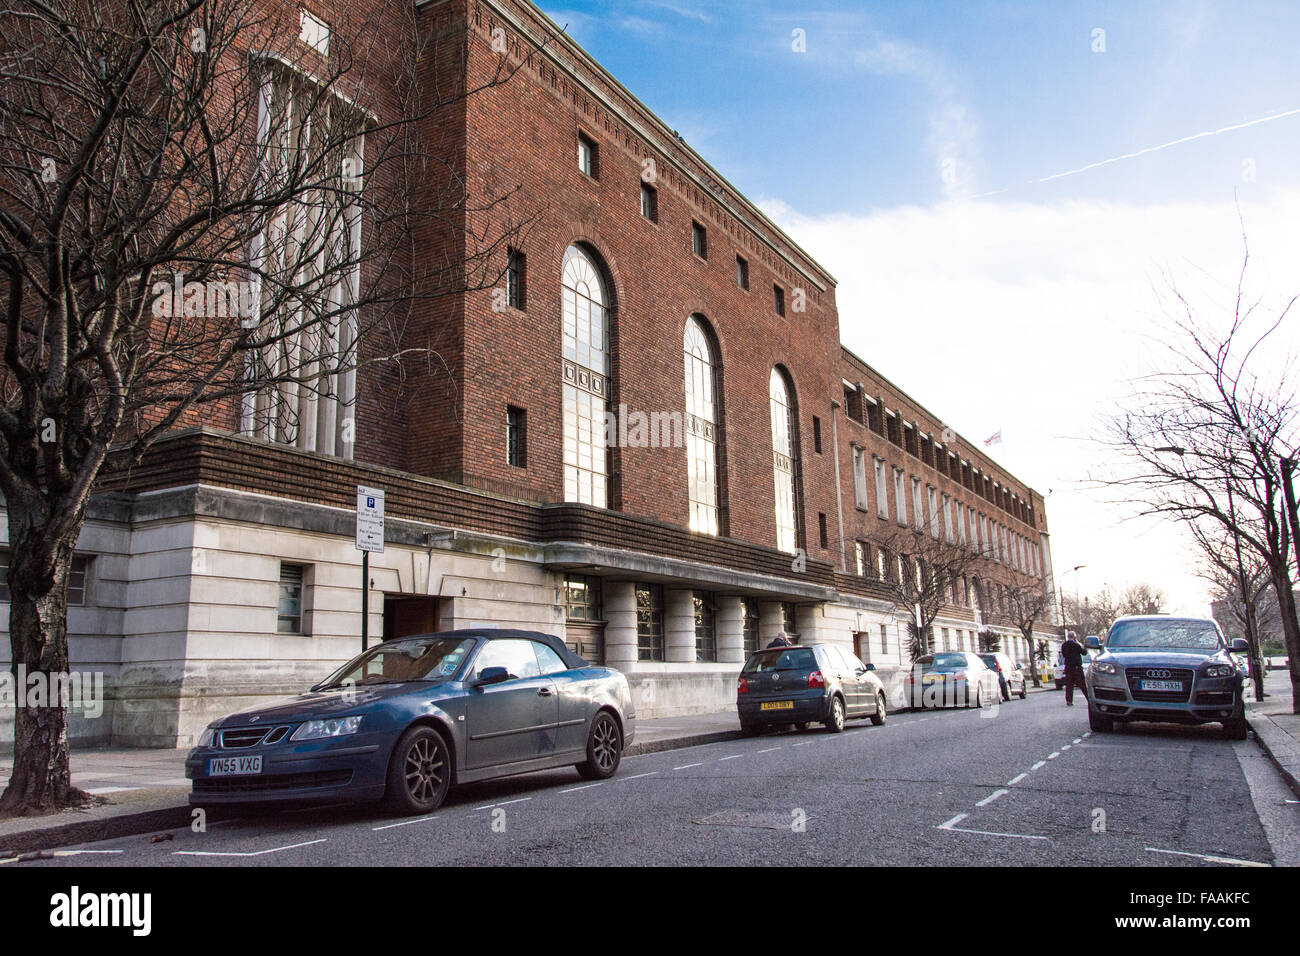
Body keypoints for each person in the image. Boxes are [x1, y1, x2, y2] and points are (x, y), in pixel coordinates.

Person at [1061, 632, 1089, 706]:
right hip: (1077, 667)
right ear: (1074, 637)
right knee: (1082, 685)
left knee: (1069, 685)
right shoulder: (1076, 645)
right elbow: (1084, 652)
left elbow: (1063, 654)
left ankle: (1069, 700)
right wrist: (1080, 644)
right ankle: (1089, 699)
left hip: (1068, 667)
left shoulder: (1064, 645)